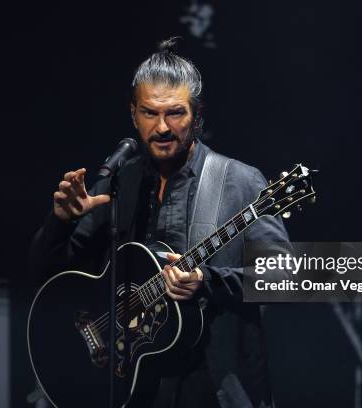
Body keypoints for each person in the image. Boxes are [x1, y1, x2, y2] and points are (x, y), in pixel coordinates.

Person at [30, 37, 291, 408]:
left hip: (213, 388)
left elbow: (284, 278)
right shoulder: (118, 183)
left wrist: (208, 281)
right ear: (133, 115)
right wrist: (60, 223)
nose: (162, 127)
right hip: (130, 389)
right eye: (150, 113)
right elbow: (48, 276)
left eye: (176, 113)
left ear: (197, 116)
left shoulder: (241, 182)